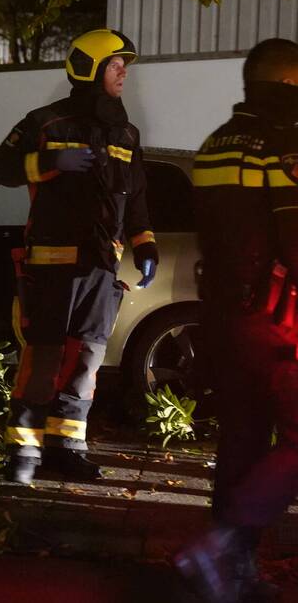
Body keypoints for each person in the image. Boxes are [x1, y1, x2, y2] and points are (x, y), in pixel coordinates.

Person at [0, 29, 159, 485]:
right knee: (44, 357)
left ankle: (67, 447)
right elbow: (3, 168)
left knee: (87, 359)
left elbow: (137, 199)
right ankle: (23, 453)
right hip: (50, 265)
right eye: (114, 64)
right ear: (89, 68)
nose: (123, 72)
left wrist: (145, 243)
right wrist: (48, 163)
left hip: (101, 268)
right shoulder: (46, 123)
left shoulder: (126, 133)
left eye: (124, 65)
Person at [174, 38, 298, 603]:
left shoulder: (214, 145)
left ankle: (229, 569)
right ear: (287, 85)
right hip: (275, 318)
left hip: (223, 312)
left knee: (241, 437)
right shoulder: (282, 142)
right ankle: (226, 552)